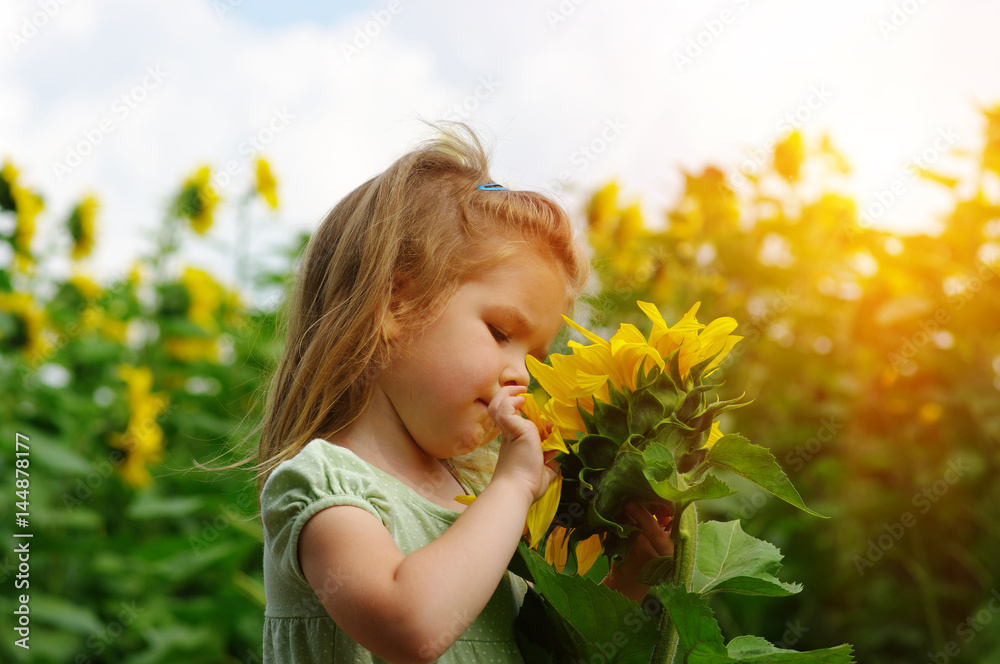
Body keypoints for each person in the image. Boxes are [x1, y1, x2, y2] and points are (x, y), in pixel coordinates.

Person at [255, 124, 673, 663]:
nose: (521, 375)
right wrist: (516, 486)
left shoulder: (477, 505)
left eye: (535, 359)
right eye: (501, 333)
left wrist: (633, 580)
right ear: (397, 304)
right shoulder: (322, 488)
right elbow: (412, 627)